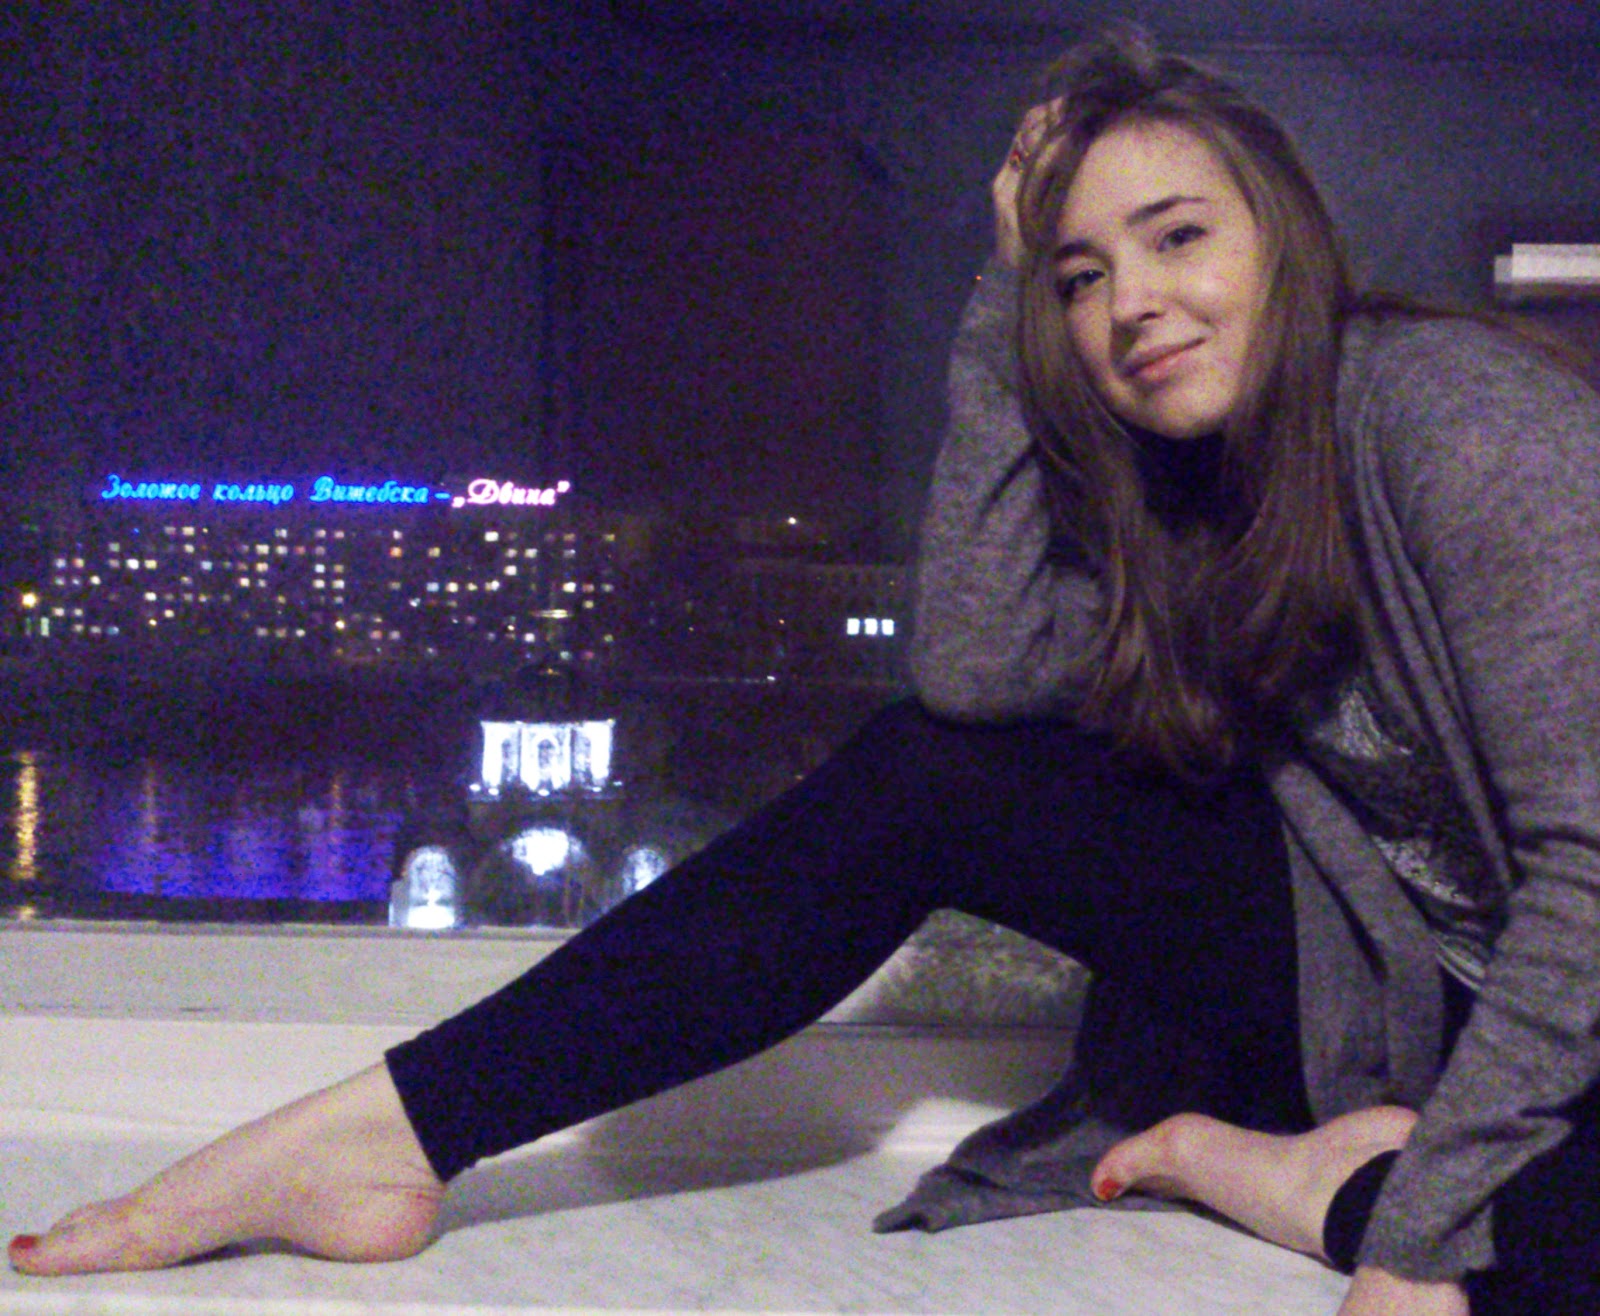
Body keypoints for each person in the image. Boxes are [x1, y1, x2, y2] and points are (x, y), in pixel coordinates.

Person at [11, 28, 1600, 1315]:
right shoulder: (1180, 486)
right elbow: (970, 680)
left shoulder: (1459, 420)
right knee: (926, 775)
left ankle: (1312, 1182)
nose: (1132, 304)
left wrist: (1414, 1239)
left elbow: (1592, 867)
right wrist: (1004, 308)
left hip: (1558, 1005)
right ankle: (389, 1132)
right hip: (1394, 988)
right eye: (1080, 275)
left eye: (1179, 237)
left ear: (1286, 238)